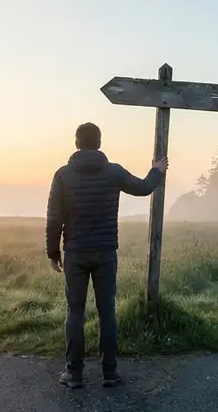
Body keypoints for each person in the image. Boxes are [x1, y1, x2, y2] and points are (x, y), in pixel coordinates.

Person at [45, 122, 167, 388]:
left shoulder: (63, 175)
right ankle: (109, 373)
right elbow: (144, 186)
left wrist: (53, 253)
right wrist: (157, 171)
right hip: (105, 252)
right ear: (99, 143)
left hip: (75, 252)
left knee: (74, 312)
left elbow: (55, 217)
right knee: (106, 312)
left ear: (76, 143)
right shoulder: (113, 172)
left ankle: (73, 374)